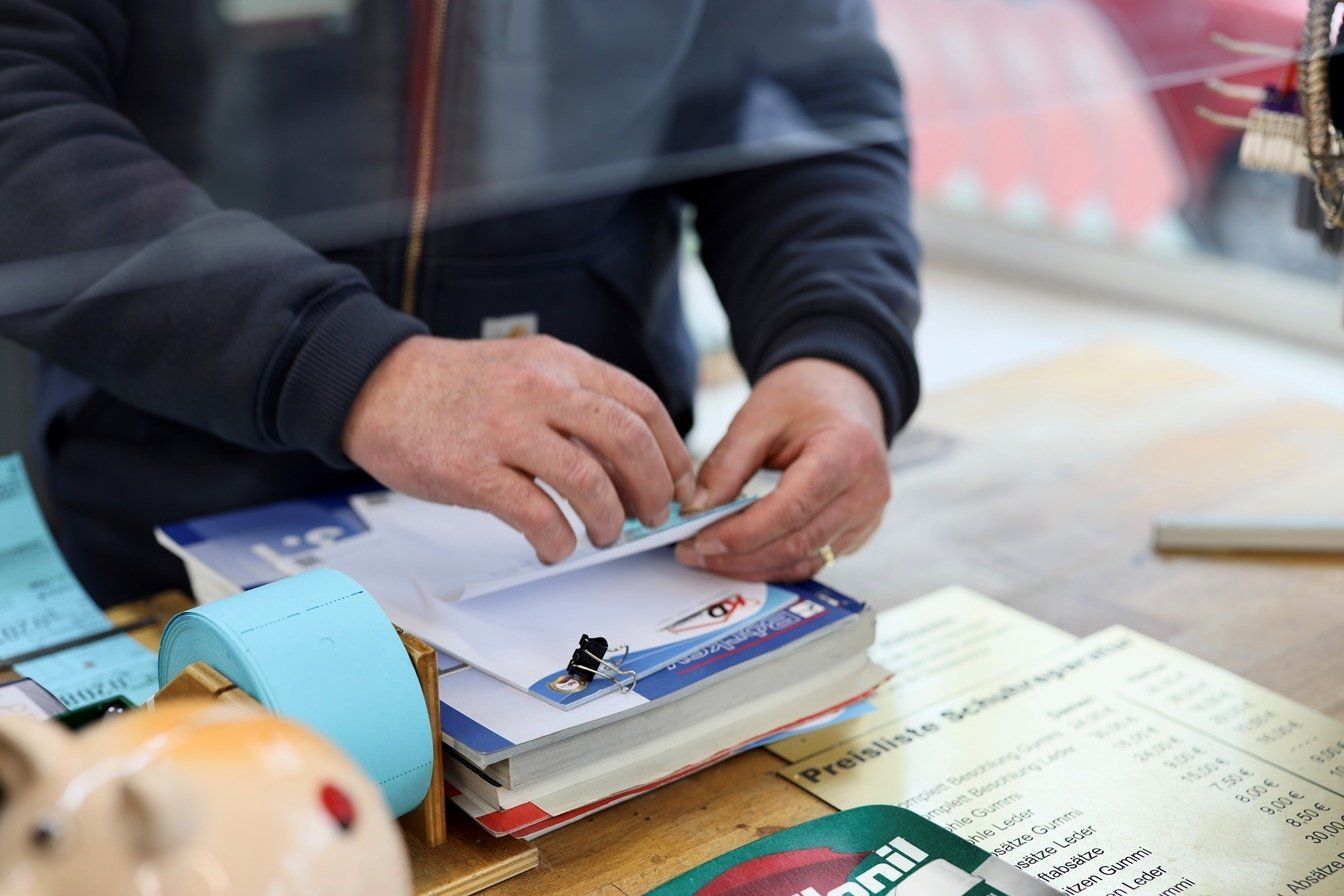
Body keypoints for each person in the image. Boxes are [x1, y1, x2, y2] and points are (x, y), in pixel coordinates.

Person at [0, 0, 921, 606]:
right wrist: (350, 367)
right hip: (165, 524)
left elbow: (802, 94)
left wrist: (834, 348)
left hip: (595, 529)